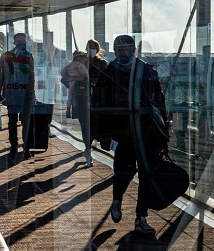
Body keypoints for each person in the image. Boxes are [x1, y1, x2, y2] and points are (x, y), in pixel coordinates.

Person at [90, 34, 169, 236]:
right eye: (118, 49)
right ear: (114, 51)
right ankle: (117, 200)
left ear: (133, 49)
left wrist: (163, 135)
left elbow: (159, 102)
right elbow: (98, 104)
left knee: (146, 174)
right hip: (123, 131)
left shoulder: (146, 71)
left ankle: (140, 217)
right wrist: (102, 134)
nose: (121, 52)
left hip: (147, 131)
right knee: (123, 171)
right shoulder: (110, 72)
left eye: (125, 48)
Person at [0, 31, 35, 159]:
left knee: (25, 122)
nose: (22, 43)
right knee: (12, 122)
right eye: (20, 41)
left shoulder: (29, 56)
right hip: (11, 94)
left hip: (24, 95)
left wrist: (32, 93)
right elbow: (0, 75)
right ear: (15, 42)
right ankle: (13, 146)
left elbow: (31, 76)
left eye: (24, 41)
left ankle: (26, 147)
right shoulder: (6, 56)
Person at [60, 50, 93, 166]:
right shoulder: (81, 65)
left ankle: (68, 110)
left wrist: (69, 78)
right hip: (83, 97)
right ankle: (88, 150)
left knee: (70, 97)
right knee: (85, 124)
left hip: (76, 94)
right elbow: (86, 76)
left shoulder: (69, 65)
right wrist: (79, 78)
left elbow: (62, 75)